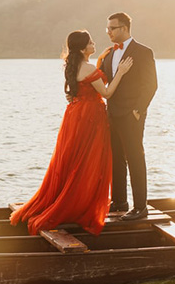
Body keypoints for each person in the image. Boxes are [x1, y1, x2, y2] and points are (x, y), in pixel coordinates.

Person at [10, 30, 133, 235]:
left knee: (72, 159)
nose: (95, 44)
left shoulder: (72, 66)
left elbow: (78, 89)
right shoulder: (88, 68)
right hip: (90, 118)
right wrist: (121, 71)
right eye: (91, 42)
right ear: (84, 48)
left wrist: (101, 58)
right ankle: (79, 202)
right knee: (87, 160)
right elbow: (107, 93)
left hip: (75, 115)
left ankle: (69, 196)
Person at [98, 12, 157, 221]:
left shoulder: (143, 52)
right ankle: (120, 201)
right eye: (107, 29)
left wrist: (138, 110)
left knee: (135, 158)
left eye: (112, 28)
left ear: (124, 28)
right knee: (116, 159)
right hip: (112, 113)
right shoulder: (109, 54)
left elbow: (150, 84)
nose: (108, 32)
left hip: (132, 115)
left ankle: (140, 207)